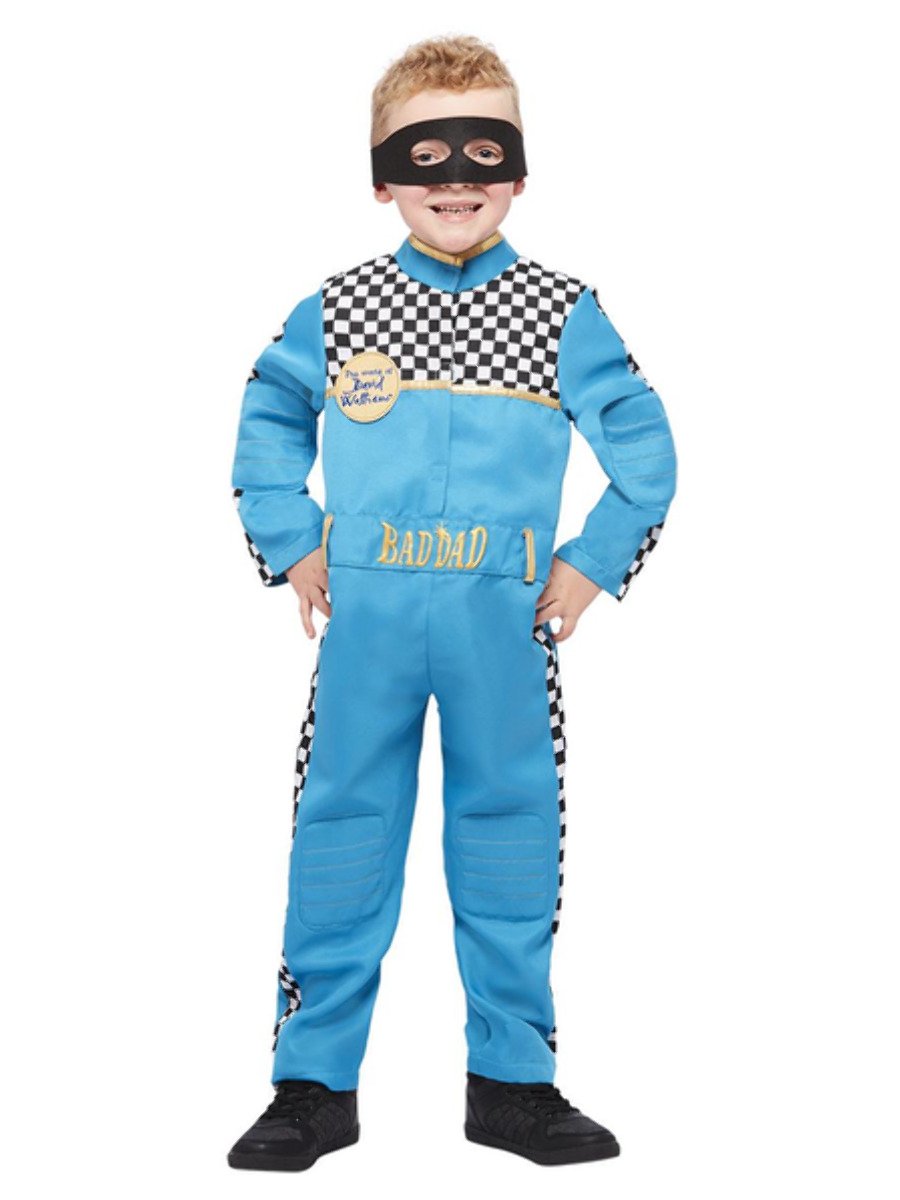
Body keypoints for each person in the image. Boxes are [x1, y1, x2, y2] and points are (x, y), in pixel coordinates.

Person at [227, 34, 677, 1171]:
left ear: (518, 170)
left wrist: (592, 562)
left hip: (503, 632)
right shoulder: (339, 308)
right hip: (366, 633)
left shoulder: (560, 311)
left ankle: (513, 1084)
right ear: (383, 178)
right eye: (425, 156)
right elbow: (269, 413)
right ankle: (311, 1086)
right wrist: (292, 542)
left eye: (485, 151)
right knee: (340, 836)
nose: (457, 178)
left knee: (510, 841)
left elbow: (646, 450)